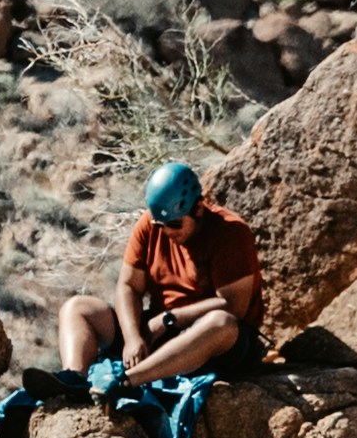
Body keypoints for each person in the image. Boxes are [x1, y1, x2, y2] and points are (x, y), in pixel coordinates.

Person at [28, 161, 264, 411]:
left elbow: (233, 306)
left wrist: (168, 319)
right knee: (78, 308)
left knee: (220, 323)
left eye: (175, 224)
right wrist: (132, 338)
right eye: (160, 225)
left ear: (198, 209)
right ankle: (74, 379)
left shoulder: (230, 233)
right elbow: (129, 286)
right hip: (160, 333)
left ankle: (126, 383)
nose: (167, 232)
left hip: (216, 341)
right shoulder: (150, 226)